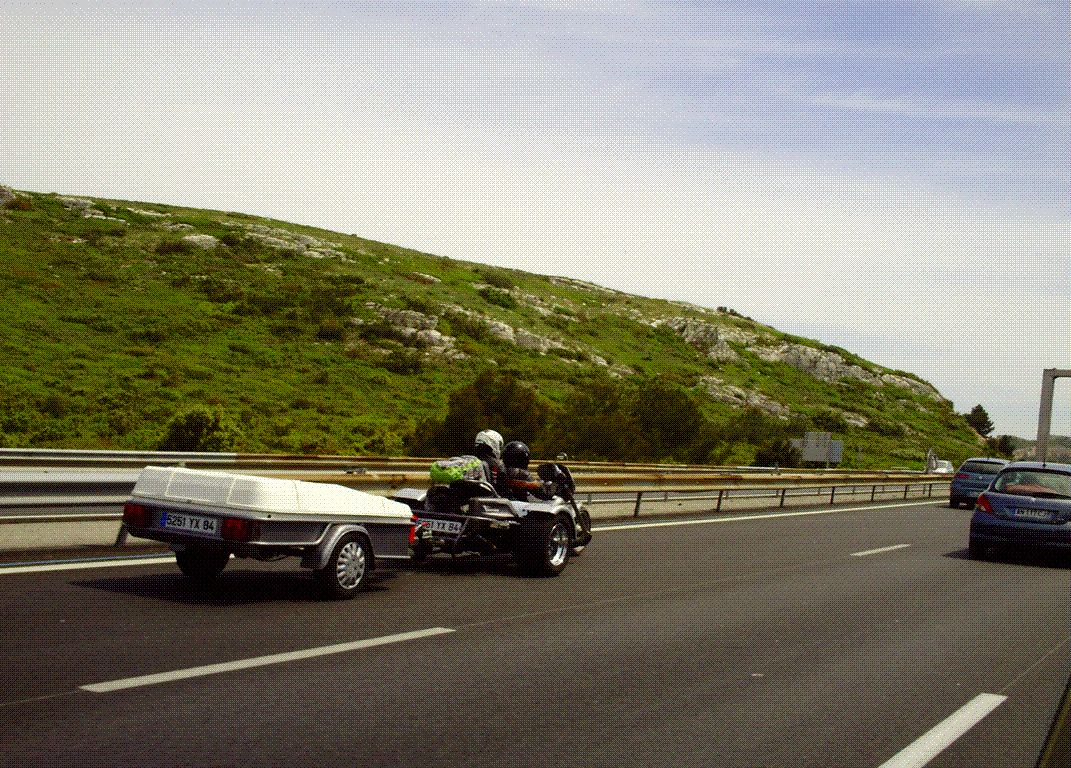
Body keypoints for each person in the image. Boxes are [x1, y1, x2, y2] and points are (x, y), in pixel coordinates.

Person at [473, 429, 507, 495]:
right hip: (490, 499)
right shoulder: (498, 465)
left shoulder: (471, 462)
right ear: (493, 442)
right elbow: (504, 491)